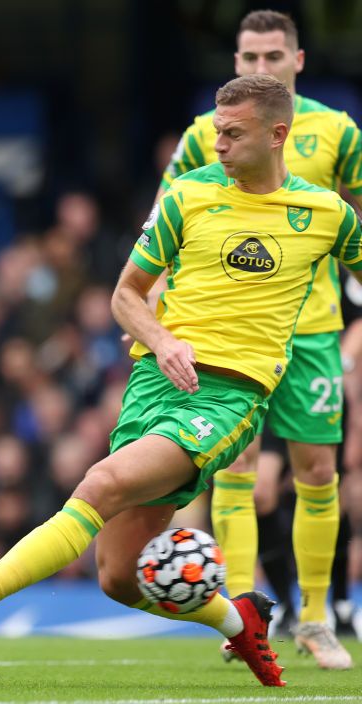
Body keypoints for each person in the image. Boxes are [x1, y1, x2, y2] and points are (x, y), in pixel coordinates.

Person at [0, 75, 362, 689]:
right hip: (155, 383)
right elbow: (125, 294)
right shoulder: (188, 194)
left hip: (228, 397)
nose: (221, 146)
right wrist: (161, 339)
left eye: (235, 135)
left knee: (100, 483)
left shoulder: (325, 214)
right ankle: (239, 622)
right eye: (217, 133)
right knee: (118, 576)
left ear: (277, 134)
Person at [159, 10, 362, 668]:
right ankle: (242, 616)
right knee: (238, 474)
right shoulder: (204, 136)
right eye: (248, 56)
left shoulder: (337, 132)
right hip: (233, 338)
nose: (259, 67)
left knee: (318, 472)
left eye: (273, 55)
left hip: (310, 332)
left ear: (298, 61)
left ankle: (315, 620)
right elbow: (164, 219)